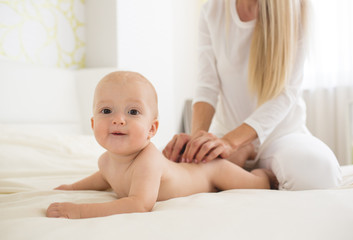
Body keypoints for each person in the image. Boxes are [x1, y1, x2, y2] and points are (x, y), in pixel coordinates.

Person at [46, 71, 277, 219]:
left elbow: (139, 205)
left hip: (210, 173)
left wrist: (78, 211)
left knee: (257, 184)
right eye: (106, 111)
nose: (118, 119)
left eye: (133, 112)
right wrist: (71, 188)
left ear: (152, 129)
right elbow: (102, 178)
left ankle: (257, 164)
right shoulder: (105, 161)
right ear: (93, 122)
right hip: (192, 167)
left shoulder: (148, 160)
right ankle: (242, 154)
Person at [163, 0, 342, 190]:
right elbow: (207, 86)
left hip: (282, 135)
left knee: (321, 173)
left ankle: (246, 154)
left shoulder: (298, 8)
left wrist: (232, 142)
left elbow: (286, 93)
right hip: (226, 133)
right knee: (166, 174)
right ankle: (246, 160)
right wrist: (196, 142)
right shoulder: (212, 9)